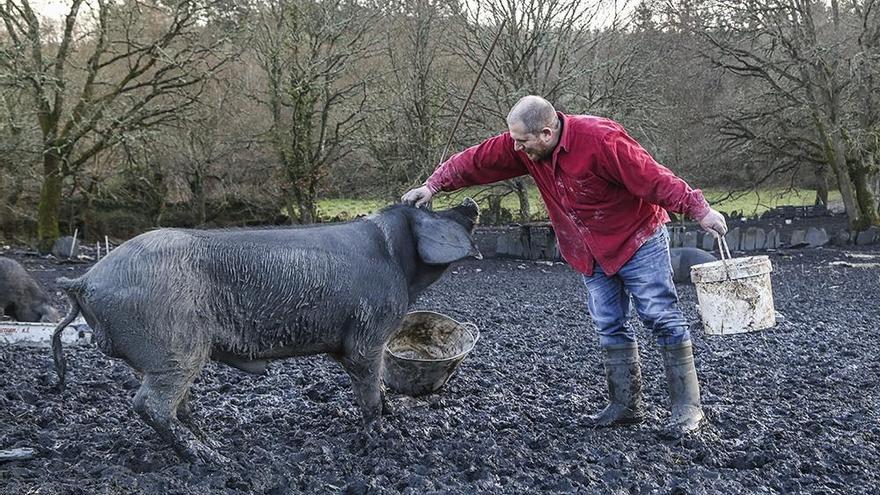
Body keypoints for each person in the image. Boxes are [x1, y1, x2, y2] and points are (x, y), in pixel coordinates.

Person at [402, 95, 728, 437]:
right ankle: (626, 406)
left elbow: (652, 177)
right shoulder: (526, 145)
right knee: (609, 323)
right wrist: (434, 184)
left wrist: (699, 209)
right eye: (513, 140)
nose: (516, 148)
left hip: (636, 239)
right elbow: (477, 160)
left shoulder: (601, 139)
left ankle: (687, 409)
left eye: (522, 141)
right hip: (588, 249)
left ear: (546, 133)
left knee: (660, 316)